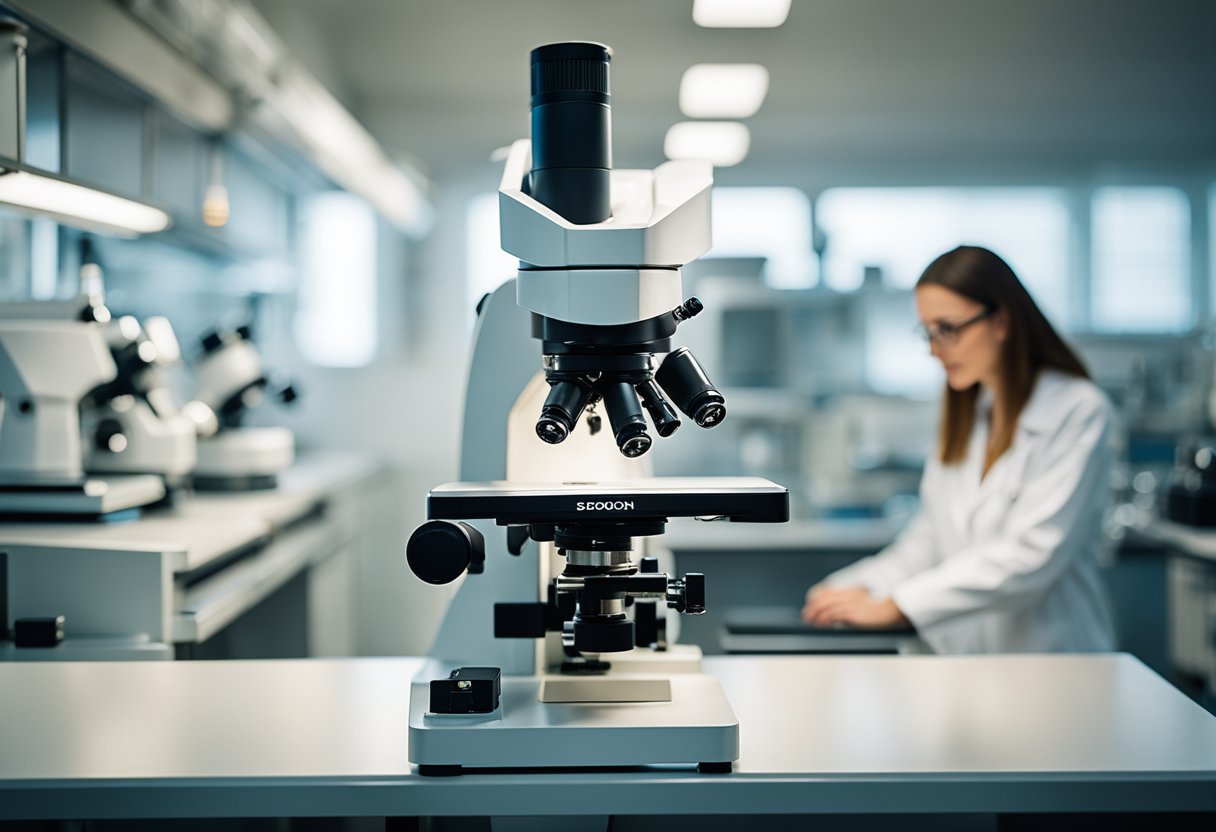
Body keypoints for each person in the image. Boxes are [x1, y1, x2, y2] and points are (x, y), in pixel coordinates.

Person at [802, 245, 1117, 654]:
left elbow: (1030, 558)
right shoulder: (971, 414)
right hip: (969, 663)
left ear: (1001, 320)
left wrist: (898, 606)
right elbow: (928, 542)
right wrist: (853, 587)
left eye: (948, 329)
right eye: (927, 332)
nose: (935, 349)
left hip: (1051, 660)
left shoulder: (1078, 410)